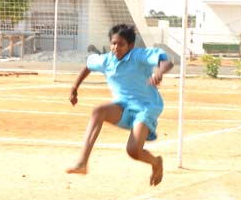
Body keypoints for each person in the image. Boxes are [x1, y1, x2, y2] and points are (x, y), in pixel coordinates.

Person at [66, 24, 174, 186]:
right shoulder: (106, 60)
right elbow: (88, 66)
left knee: (133, 151)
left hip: (145, 107)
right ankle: (82, 162)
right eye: (113, 43)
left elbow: (167, 62)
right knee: (98, 112)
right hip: (122, 106)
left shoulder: (139, 56)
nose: (116, 47)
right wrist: (74, 88)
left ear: (130, 45)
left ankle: (156, 162)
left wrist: (159, 72)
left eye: (121, 44)